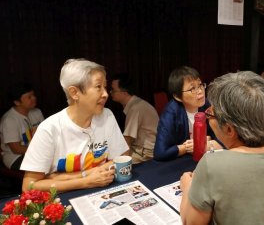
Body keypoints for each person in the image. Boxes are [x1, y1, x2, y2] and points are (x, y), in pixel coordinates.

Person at [180, 71, 264, 225]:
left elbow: (191, 222)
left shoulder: (213, 165)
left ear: (229, 129)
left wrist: (187, 186)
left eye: (211, 113)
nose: (208, 115)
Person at [20, 58, 129, 192]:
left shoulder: (107, 116)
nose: (105, 94)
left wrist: (58, 178)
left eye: (105, 87)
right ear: (74, 93)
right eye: (98, 87)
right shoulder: (49, 129)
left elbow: (122, 158)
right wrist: (85, 180)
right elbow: (29, 186)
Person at [154, 66, 223, 161]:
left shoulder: (207, 105)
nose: (200, 91)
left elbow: (225, 139)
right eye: (192, 89)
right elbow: (160, 152)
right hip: (180, 163)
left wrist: (205, 141)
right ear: (177, 96)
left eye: (200, 85)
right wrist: (187, 147)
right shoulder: (170, 112)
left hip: (204, 159)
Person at [110, 73, 159, 164]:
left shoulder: (135, 108)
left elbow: (127, 141)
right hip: (142, 149)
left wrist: (123, 164)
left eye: (113, 90)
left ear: (124, 93)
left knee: (112, 163)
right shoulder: (137, 103)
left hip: (146, 153)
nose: (110, 92)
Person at [0, 82, 44, 170]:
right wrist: (41, 151)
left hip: (37, 152)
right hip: (16, 157)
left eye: (33, 95)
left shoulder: (37, 112)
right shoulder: (9, 120)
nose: (34, 98)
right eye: (29, 97)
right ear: (17, 102)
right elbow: (16, 149)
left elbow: (45, 134)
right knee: (45, 165)